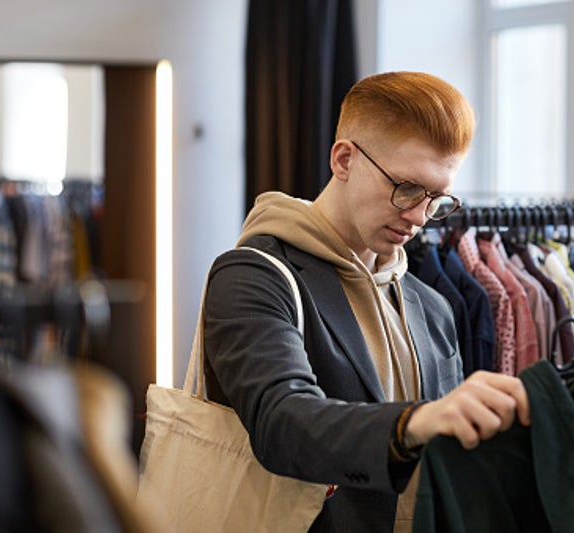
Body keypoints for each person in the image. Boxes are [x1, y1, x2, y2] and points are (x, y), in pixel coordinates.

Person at [203, 71, 531, 532]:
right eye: (408, 188)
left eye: (436, 198)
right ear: (343, 159)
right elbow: (282, 422)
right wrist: (417, 421)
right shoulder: (253, 275)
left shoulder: (431, 307)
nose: (419, 217)